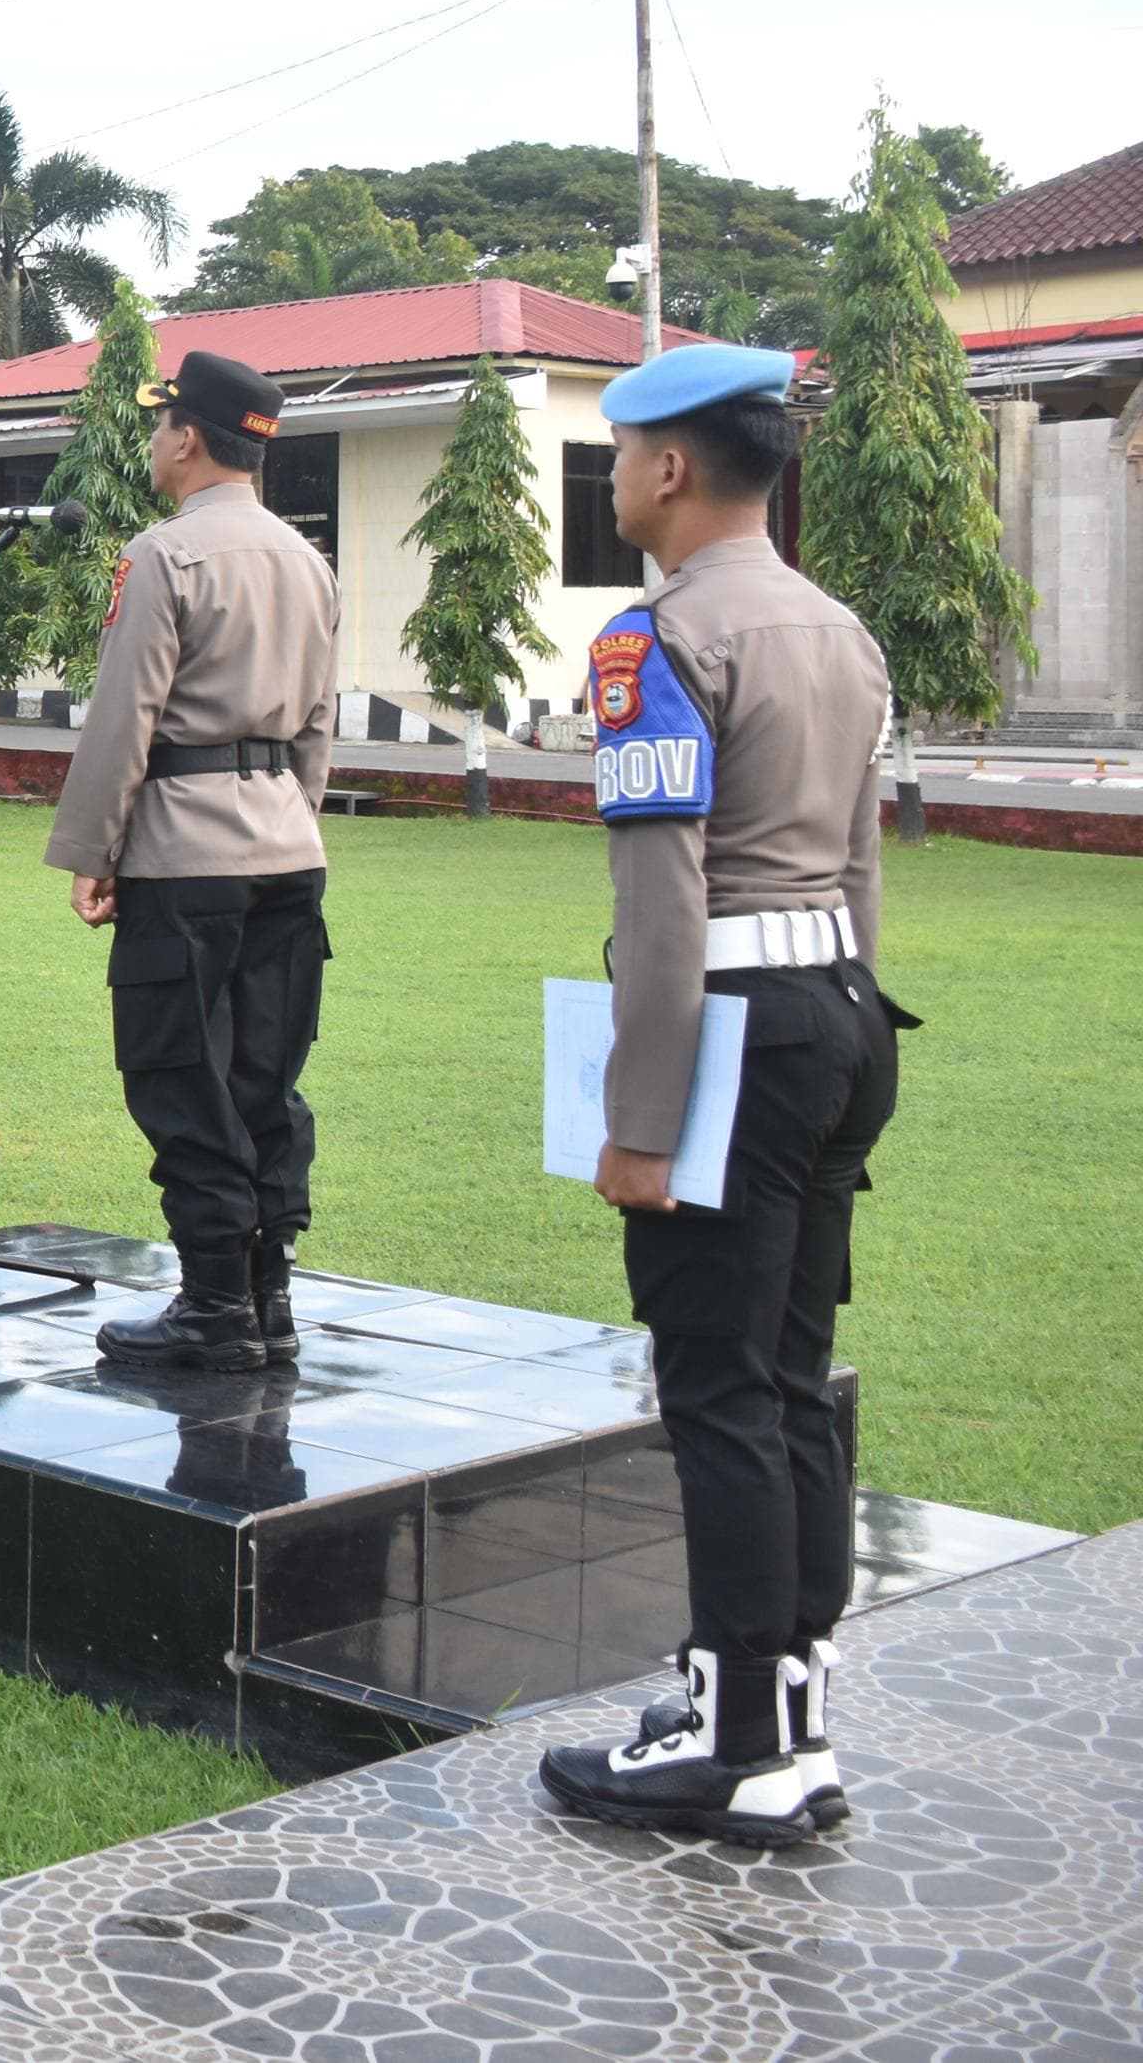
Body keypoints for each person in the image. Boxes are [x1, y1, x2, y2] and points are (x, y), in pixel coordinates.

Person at [537, 346, 901, 1848]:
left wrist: (639, 1119)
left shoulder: (658, 640)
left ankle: (738, 1735)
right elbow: (864, 864)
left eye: (617, 452)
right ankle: (786, 1710)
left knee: (716, 1387)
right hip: (838, 1013)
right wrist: (857, 1020)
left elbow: (667, 895)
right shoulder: (839, 629)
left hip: (733, 1029)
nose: (611, 477)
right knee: (791, 1373)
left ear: (670, 468)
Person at [45, 351, 340, 1374]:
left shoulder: (165, 555)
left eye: (160, 421)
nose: (154, 439)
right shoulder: (307, 560)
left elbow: (124, 717)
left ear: (187, 434)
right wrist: (285, 815)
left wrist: (93, 849)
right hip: (284, 845)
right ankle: (269, 1294)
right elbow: (316, 723)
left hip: (184, 846)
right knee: (263, 1072)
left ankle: (213, 1302)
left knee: (181, 1070)